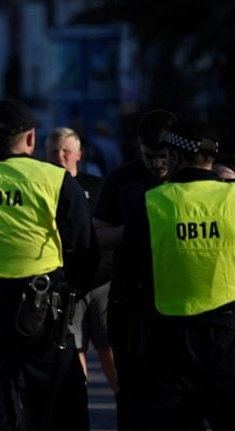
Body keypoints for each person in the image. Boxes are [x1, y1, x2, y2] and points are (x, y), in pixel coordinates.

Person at [0, 99, 98, 431]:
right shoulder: (55, 180)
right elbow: (84, 248)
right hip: (45, 317)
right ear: (30, 139)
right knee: (61, 411)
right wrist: (72, 291)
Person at [121, 121, 235, 429]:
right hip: (227, 333)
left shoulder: (153, 202)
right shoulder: (232, 199)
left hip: (169, 336)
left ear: (174, 156)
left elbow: (129, 275)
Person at [92, 109, 188, 430]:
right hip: (131, 304)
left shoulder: (190, 182)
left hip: (180, 304)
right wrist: (135, 230)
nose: (158, 164)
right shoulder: (122, 180)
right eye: (150, 156)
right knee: (133, 392)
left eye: (164, 157)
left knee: (179, 396)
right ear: (138, 147)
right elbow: (98, 234)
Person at [45, 127, 118, 394]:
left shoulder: (99, 187)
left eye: (66, 150)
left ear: (79, 154)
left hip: (101, 284)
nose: (60, 156)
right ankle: (79, 407)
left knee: (109, 348)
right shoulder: (39, 190)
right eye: (54, 151)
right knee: (74, 349)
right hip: (66, 285)